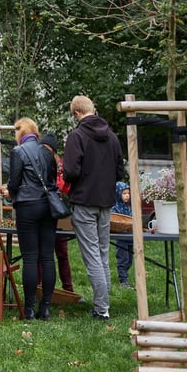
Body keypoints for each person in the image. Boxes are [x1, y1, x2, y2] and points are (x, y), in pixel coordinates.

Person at [63, 95, 125, 321]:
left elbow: (70, 172)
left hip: (84, 201)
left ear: (77, 113)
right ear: (93, 109)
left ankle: (102, 308)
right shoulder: (112, 137)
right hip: (106, 202)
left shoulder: (76, 136)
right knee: (102, 253)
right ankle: (104, 303)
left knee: (92, 256)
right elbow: (120, 171)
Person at [6, 118, 56, 321]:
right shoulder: (47, 152)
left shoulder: (18, 152)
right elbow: (52, 180)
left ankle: (28, 309)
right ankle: (45, 308)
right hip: (48, 207)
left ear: (20, 132)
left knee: (30, 257)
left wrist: (10, 192)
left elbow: (15, 181)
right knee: (47, 257)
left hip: (27, 206)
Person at [40, 132, 75, 293]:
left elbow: (65, 186)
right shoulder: (37, 161)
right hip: (42, 211)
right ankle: (39, 287)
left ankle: (68, 288)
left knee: (62, 253)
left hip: (58, 214)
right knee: (42, 253)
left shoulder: (60, 166)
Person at [112, 181, 134, 289]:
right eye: (124, 193)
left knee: (130, 260)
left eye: (128, 193)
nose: (127, 196)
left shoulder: (128, 207)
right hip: (121, 238)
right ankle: (123, 280)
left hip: (130, 236)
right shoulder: (115, 208)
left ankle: (125, 276)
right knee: (123, 259)